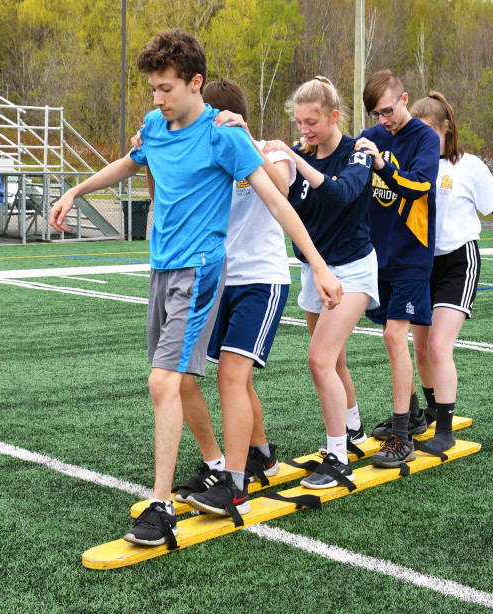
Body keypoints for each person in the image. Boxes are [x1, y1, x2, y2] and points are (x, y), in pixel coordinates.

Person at [49, 29, 342, 549]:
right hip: (160, 269)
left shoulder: (222, 136)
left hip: (200, 270)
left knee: (163, 383)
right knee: (175, 383)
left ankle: (163, 506)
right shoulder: (154, 128)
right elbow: (131, 163)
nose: (157, 98)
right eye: (152, 90)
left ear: (195, 82)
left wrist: (317, 264)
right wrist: (76, 188)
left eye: (165, 88)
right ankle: (217, 468)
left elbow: (277, 201)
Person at [130, 78, 320, 519]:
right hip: (217, 275)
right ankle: (251, 456)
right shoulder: (193, 144)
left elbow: (281, 191)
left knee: (232, 377)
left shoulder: (264, 149)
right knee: (208, 378)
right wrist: (152, 150)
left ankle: (234, 482)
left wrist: (245, 137)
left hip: (262, 279)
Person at [262, 76, 378, 489]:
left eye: (311, 122)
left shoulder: (359, 151)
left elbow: (343, 194)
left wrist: (298, 160)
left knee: (319, 359)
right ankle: (354, 429)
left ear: (333, 116)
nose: (304, 130)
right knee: (335, 360)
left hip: (354, 270)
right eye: (298, 122)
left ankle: (338, 457)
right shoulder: (297, 153)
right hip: (315, 270)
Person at [409, 92, 493, 452]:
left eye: (429, 130)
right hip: (422, 264)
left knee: (438, 346)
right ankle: (431, 410)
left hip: (459, 262)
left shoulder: (469, 166)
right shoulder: (416, 165)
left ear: (446, 128)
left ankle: (444, 430)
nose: (422, 138)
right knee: (419, 349)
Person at [354, 70, 440, 468]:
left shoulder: (424, 138)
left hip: (411, 254)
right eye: (377, 112)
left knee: (394, 337)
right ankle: (415, 412)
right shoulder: (370, 136)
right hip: (376, 255)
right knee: (385, 333)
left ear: (405, 98)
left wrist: (382, 167)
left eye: (388, 110)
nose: (383, 118)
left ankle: (402, 434)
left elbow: (420, 186)